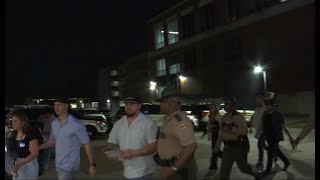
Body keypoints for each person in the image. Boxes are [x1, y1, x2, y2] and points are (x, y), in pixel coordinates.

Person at [39, 97, 96, 179]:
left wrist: (92, 164)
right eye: (55, 105)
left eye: (59, 105)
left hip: (70, 165)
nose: (56, 108)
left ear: (66, 106)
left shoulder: (76, 124)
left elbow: (86, 144)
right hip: (58, 164)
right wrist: (38, 148)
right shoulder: (54, 123)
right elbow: (51, 141)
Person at [106, 96, 158, 179]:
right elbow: (112, 142)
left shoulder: (148, 123)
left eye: (132, 104)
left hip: (144, 171)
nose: (128, 107)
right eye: (126, 104)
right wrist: (113, 152)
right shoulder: (119, 124)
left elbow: (154, 146)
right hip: (126, 170)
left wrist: (134, 153)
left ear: (139, 106)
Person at [155, 86, 198, 180]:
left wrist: (174, 168)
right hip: (172, 168)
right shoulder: (170, 119)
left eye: (161, 102)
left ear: (170, 102)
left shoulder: (180, 121)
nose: (160, 105)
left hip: (179, 171)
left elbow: (191, 147)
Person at [214, 97, 260, 180]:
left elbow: (245, 131)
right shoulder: (224, 117)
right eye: (225, 104)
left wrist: (231, 129)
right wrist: (217, 146)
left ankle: (256, 174)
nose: (225, 106)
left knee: (243, 168)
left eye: (227, 104)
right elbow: (221, 133)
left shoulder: (239, 117)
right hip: (227, 148)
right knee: (224, 172)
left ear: (233, 105)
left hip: (238, 148)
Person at [255, 92, 294, 177]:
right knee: (277, 151)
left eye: (268, 105)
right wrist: (258, 132)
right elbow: (261, 124)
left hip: (276, 136)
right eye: (265, 105)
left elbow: (284, 127)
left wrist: (290, 137)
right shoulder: (265, 113)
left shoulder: (278, 114)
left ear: (272, 105)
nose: (266, 106)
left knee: (270, 152)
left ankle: (267, 170)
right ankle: (286, 162)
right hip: (268, 136)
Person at [7, 109, 39, 179]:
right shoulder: (12, 136)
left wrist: (19, 164)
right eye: (12, 121)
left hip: (29, 165)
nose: (13, 123)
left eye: (16, 121)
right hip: (17, 166)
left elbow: (35, 153)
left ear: (23, 122)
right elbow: (10, 153)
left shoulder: (30, 135)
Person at [249, 94, 266, 170]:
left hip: (263, 131)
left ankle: (260, 162)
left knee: (260, 146)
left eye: (258, 100)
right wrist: (251, 127)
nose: (256, 102)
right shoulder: (256, 109)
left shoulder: (265, 109)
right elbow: (254, 118)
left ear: (262, 101)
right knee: (264, 146)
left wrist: (259, 131)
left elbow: (264, 121)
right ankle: (275, 153)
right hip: (258, 130)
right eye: (256, 100)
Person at [37, 107, 56, 176]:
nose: (43, 116)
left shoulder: (53, 120)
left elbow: (50, 131)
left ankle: (44, 167)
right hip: (46, 139)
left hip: (49, 139)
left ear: (48, 113)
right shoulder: (47, 118)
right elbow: (39, 120)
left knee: (47, 153)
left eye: (44, 115)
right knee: (50, 151)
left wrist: (42, 133)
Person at [207, 104, 222, 170]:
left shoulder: (218, 116)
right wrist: (207, 133)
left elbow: (222, 126)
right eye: (210, 108)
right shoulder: (210, 116)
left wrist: (214, 126)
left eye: (213, 108)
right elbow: (209, 126)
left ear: (216, 109)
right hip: (213, 135)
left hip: (218, 135)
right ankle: (214, 165)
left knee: (215, 150)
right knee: (215, 150)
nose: (211, 109)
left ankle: (213, 165)